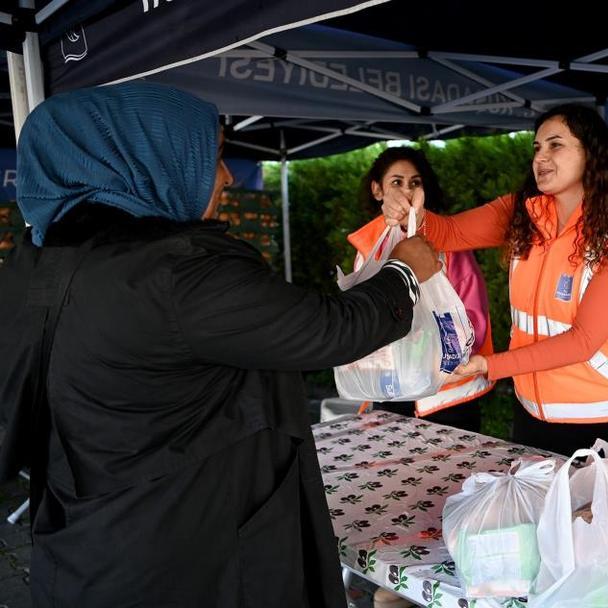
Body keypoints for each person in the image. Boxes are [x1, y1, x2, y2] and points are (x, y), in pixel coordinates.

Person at [0, 83, 440, 607]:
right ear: (152, 162)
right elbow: (328, 329)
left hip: (80, 548)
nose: (228, 177)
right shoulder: (178, 272)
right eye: (214, 157)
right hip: (184, 558)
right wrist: (403, 273)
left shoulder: (33, 265)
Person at [381, 104, 608, 456]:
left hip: (601, 417)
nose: (540, 157)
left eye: (555, 145)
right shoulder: (523, 213)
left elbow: (583, 341)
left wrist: (490, 365)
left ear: (591, 153)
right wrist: (413, 215)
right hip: (530, 410)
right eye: (537, 147)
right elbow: (448, 232)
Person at [347, 147, 495, 433]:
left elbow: (472, 318)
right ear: (377, 190)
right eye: (397, 182)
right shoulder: (368, 248)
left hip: (446, 396)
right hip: (391, 392)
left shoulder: (449, 245)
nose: (406, 191)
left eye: (415, 182)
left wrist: (435, 358)